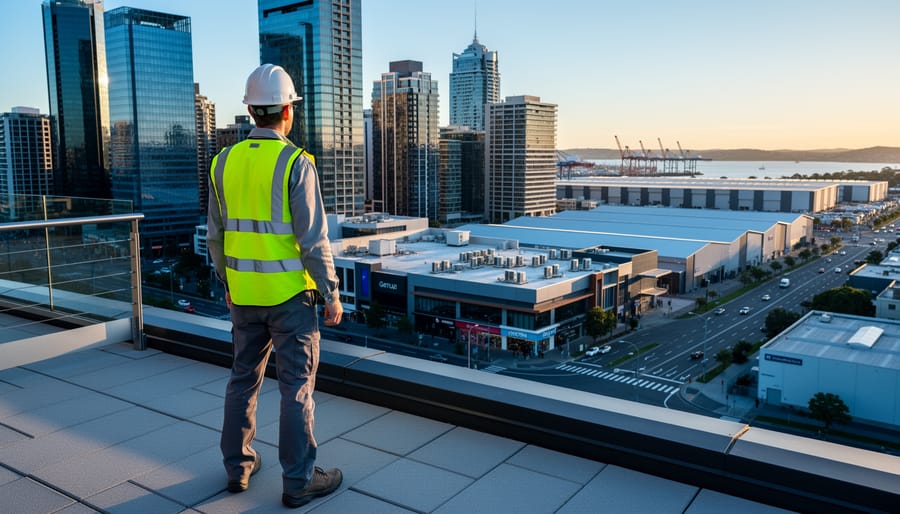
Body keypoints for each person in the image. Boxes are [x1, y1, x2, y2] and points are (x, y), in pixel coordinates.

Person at [207, 63, 343, 509]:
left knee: (242, 381)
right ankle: (299, 481)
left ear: (250, 110)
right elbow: (312, 239)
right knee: (296, 388)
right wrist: (331, 292)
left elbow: (216, 235)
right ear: (288, 111)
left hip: (243, 297)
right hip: (291, 300)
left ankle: (237, 469)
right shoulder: (295, 163)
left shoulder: (222, 162)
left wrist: (228, 283)